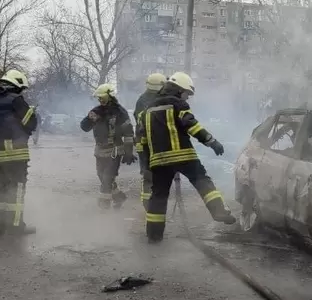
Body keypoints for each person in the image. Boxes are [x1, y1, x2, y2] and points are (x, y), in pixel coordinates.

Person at [140, 72, 235, 242]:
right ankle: (219, 211)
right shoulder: (177, 103)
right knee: (202, 180)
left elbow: (143, 139)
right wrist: (211, 141)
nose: (187, 98)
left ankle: (154, 236)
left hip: (158, 161)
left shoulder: (147, 109)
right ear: (179, 90)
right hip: (183, 155)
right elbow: (191, 125)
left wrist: (147, 163)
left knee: (159, 196)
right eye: (186, 93)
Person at [0, 70, 38, 236]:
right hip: (15, 150)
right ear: (17, 85)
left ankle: (0, 225)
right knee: (17, 187)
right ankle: (16, 226)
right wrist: (32, 112)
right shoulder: (16, 99)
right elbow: (31, 123)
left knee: (2, 186)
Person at [80, 83, 136, 209]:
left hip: (115, 150)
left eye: (102, 97)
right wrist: (89, 119)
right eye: (98, 98)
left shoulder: (120, 112)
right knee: (101, 176)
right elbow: (84, 127)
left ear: (110, 96)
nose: (100, 100)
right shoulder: (97, 111)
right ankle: (119, 196)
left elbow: (128, 133)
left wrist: (128, 152)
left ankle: (104, 206)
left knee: (107, 178)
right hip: (100, 150)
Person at [133, 72, 166, 206]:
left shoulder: (142, 99)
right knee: (155, 174)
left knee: (148, 174)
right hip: (152, 144)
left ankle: (149, 203)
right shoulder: (157, 101)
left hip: (144, 144)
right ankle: (151, 203)